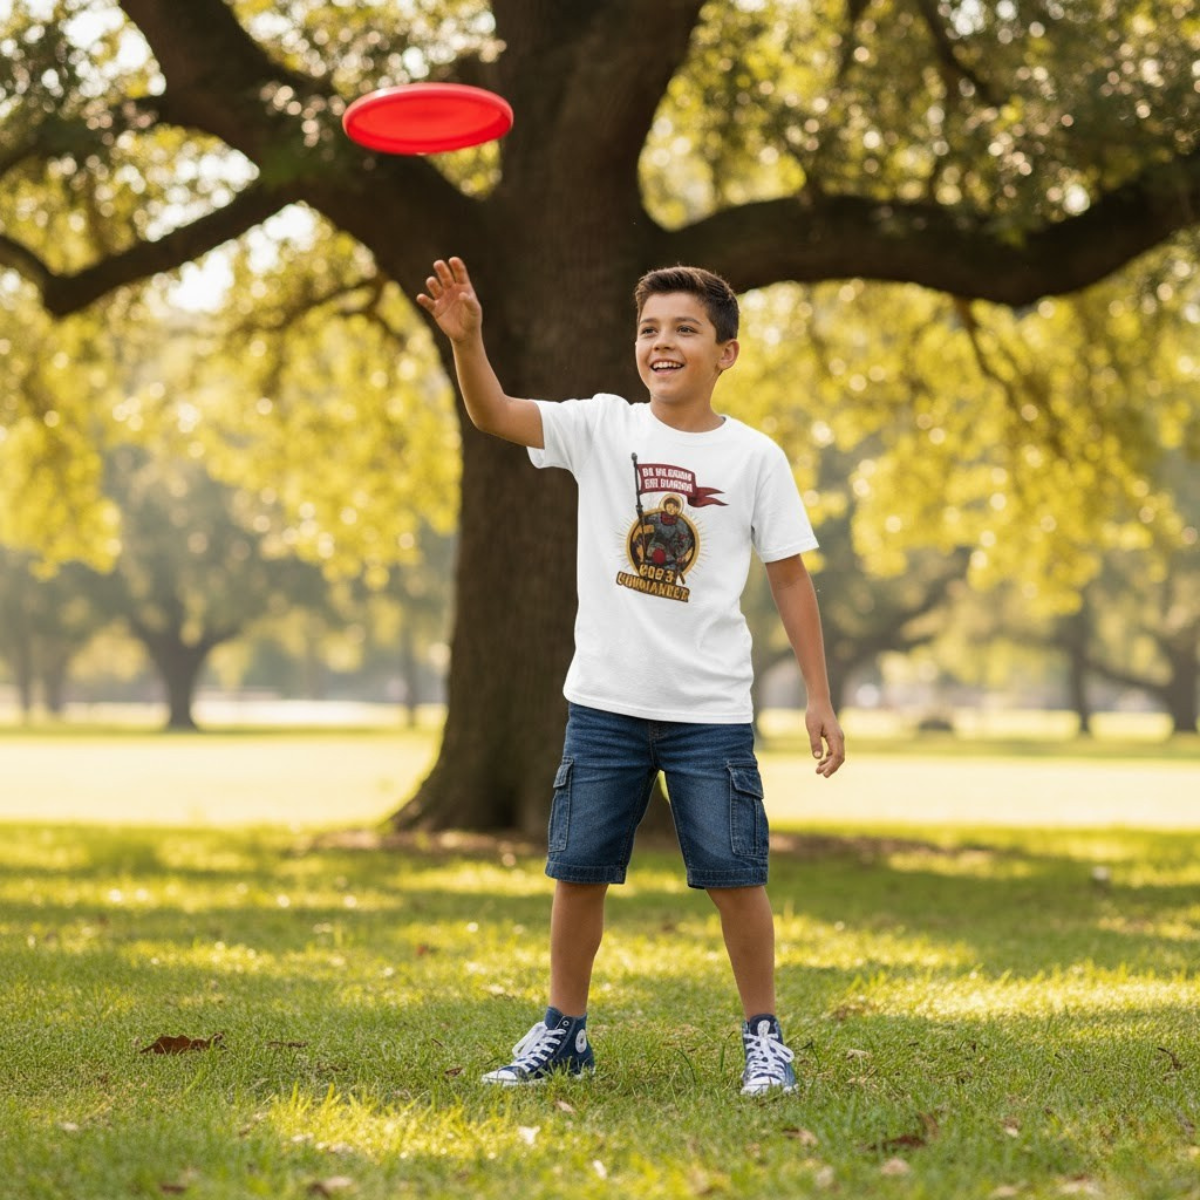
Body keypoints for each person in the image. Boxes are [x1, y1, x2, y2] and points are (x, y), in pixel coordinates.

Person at [416, 256, 845, 1095]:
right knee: (576, 874)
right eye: (650, 329)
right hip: (605, 704)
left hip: (709, 710)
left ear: (725, 353)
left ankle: (765, 1038)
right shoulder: (603, 428)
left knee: (735, 877)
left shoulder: (755, 457)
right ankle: (563, 1032)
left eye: (685, 329)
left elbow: (790, 579)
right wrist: (469, 342)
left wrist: (820, 699)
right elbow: (495, 412)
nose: (663, 343)